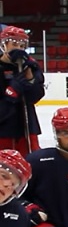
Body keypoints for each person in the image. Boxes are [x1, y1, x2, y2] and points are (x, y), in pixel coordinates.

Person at [0, 25, 45, 156]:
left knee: (30, 166)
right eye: (14, 44)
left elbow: (35, 97)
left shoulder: (31, 66)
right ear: (3, 45)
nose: (19, 49)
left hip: (27, 130)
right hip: (3, 132)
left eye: (22, 46)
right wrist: (11, 92)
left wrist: (31, 79)